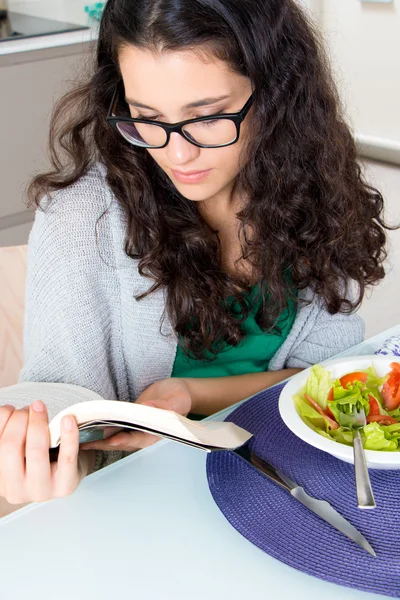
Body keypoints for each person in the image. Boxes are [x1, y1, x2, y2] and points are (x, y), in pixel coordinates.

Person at [0, 0, 388, 512]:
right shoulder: (81, 217)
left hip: (279, 476)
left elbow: (325, 375)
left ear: (275, 93)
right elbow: (66, 401)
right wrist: (45, 462)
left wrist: (188, 394)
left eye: (207, 117)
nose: (176, 155)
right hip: (143, 502)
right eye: (146, 118)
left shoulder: (313, 192)